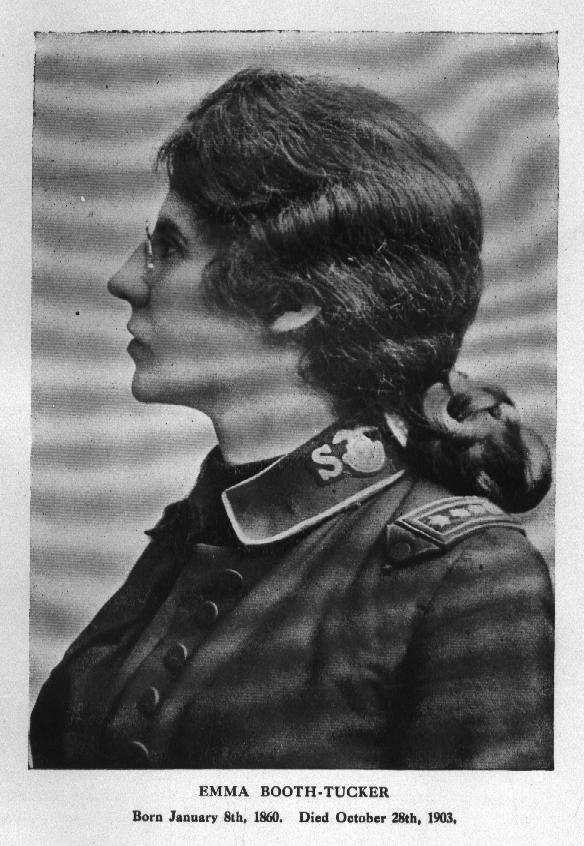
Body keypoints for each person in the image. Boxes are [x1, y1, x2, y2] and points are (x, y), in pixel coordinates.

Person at [30, 68, 553, 769]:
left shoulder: (466, 575)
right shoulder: (198, 532)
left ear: (292, 301)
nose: (124, 279)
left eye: (170, 247)